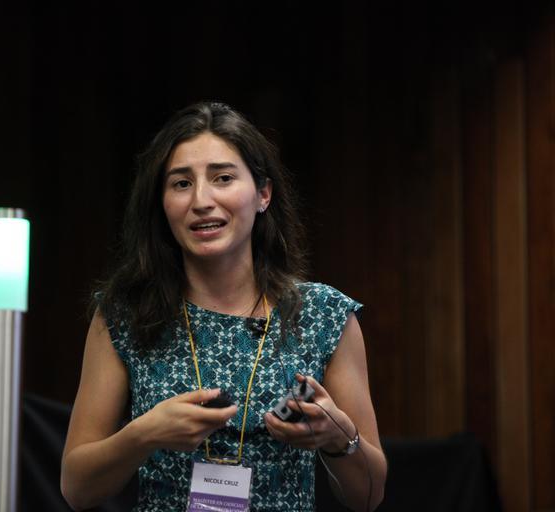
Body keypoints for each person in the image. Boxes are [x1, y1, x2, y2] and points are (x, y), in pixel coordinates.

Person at [61, 101, 387, 511]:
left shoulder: (323, 314)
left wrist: (339, 438)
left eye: (223, 178)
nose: (201, 200)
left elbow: (370, 497)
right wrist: (144, 434)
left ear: (263, 194)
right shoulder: (124, 314)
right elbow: (76, 489)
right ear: (161, 203)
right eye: (181, 183)